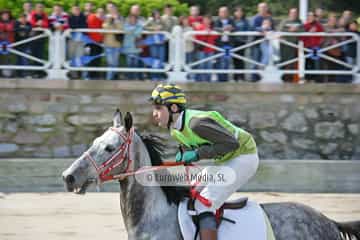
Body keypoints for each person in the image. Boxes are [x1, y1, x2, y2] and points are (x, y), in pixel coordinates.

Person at [149, 84, 259, 240]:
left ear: (173, 108)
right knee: (191, 194)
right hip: (226, 159)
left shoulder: (196, 123)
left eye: (158, 108)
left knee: (203, 204)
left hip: (244, 157)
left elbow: (231, 144)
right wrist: (184, 154)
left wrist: (196, 154)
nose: (154, 114)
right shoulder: (174, 129)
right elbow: (191, 146)